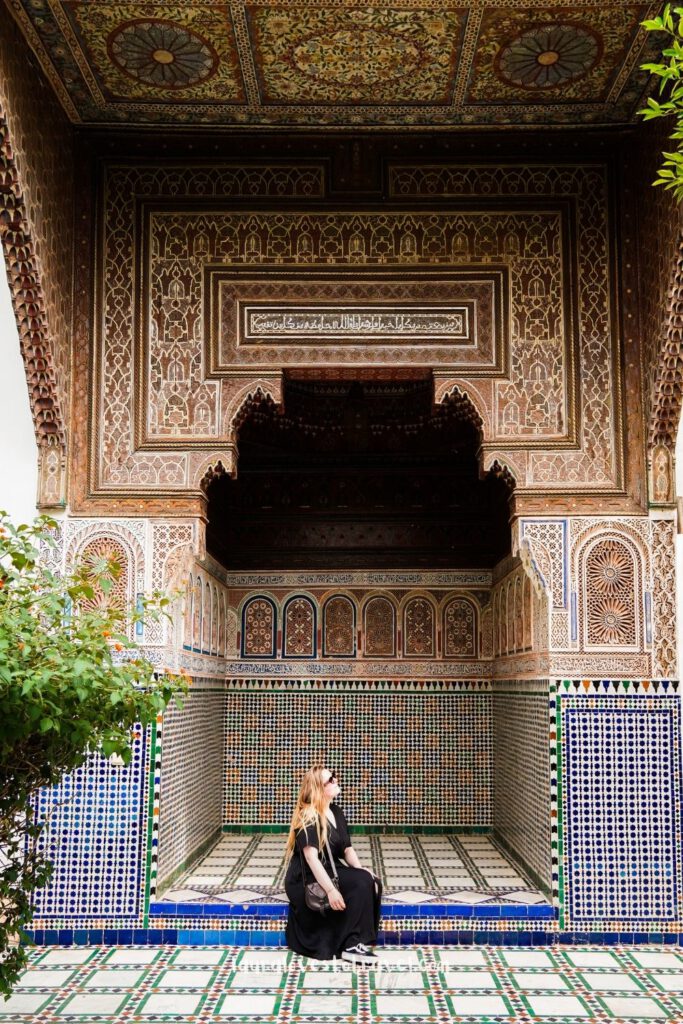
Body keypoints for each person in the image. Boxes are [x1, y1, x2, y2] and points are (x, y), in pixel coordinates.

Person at [284, 765, 382, 965]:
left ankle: (356, 940)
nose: (336, 780)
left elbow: (347, 848)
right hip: (305, 877)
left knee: (369, 880)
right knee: (360, 883)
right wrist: (330, 890)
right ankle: (350, 945)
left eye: (334, 776)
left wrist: (360, 869)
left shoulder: (335, 811)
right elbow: (311, 859)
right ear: (319, 789)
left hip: (330, 868)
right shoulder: (309, 815)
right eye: (331, 780)